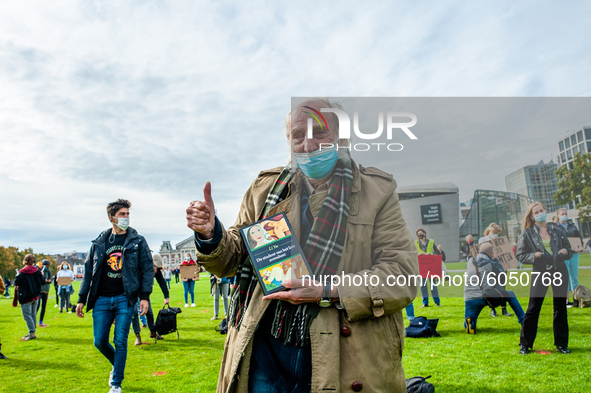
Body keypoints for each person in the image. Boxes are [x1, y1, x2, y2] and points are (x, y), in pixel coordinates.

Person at [186, 98, 419, 392]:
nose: (308, 145)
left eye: (319, 132)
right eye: (298, 135)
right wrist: (210, 235)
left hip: (343, 356)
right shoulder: (265, 189)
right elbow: (231, 259)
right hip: (264, 352)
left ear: (342, 137)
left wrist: (327, 290)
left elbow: (402, 275)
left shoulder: (378, 191)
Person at [76, 198, 154, 393]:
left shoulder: (137, 240)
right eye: (122, 214)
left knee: (120, 340)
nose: (126, 217)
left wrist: (144, 296)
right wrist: (81, 299)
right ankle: (116, 365)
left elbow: (147, 269)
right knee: (100, 341)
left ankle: (116, 384)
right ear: (112, 218)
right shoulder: (99, 243)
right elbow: (88, 272)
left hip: (124, 298)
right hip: (101, 298)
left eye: (128, 214)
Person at [516, 202, 572, 355]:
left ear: (546, 211)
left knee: (560, 308)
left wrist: (565, 252)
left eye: (542, 210)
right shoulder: (527, 233)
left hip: (559, 270)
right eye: (536, 212)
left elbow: (569, 250)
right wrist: (533, 255)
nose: (540, 213)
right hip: (540, 271)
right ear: (532, 217)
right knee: (533, 307)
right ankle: (525, 344)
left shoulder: (557, 229)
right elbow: (520, 255)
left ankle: (562, 344)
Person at [464, 243, 525, 334]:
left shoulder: (470, 261)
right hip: (487, 296)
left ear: (479, 251)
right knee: (510, 294)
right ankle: (524, 322)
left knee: (470, 318)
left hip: (469, 297)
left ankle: (470, 323)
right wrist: (496, 260)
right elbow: (502, 276)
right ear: (491, 252)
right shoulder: (490, 262)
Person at [132, 253, 169, 345]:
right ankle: (137, 336)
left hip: (145, 293)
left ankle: (153, 332)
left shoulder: (156, 271)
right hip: (134, 292)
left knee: (149, 312)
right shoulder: (140, 268)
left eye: (157, 268)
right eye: (154, 267)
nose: (155, 270)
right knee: (134, 313)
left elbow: (162, 283)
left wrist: (166, 296)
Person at [478, 223, 512, 318]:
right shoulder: (483, 240)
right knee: (491, 288)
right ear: (489, 231)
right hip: (490, 268)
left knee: (502, 287)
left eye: (497, 233)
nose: (495, 235)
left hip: (501, 267)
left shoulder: (500, 240)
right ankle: (493, 309)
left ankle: (504, 309)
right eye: (494, 232)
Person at [553, 208, 583, 308]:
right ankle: (566, 300)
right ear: (558, 216)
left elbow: (579, 238)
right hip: (563, 256)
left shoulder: (572, 226)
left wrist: (580, 247)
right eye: (562, 214)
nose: (565, 215)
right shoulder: (555, 228)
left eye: (566, 213)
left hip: (574, 254)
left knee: (574, 277)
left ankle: (576, 299)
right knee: (565, 277)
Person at [14, 254, 44, 341]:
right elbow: (42, 281)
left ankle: (32, 333)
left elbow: (17, 282)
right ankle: (32, 331)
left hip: (26, 296)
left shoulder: (22, 272)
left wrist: (17, 275)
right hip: (35, 295)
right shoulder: (37, 271)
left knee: (27, 315)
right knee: (33, 314)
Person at [415, 228, 441, 307]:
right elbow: (412, 253)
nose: (420, 235)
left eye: (421, 233)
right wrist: (418, 255)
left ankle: (437, 302)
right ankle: (425, 303)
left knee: (433, 285)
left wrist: (431, 254)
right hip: (422, 268)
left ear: (424, 234)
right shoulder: (415, 243)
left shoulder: (431, 242)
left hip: (431, 267)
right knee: (423, 285)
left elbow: (437, 252)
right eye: (418, 234)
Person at [37, 259, 52, 327]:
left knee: (43, 307)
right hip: (39, 290)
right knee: (37, 306)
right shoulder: (38, 270)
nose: (46, 267)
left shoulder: (48, 271)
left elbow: (50, 279)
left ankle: (41, 321)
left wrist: (48, 281)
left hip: (46, 290)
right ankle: (33, 321)